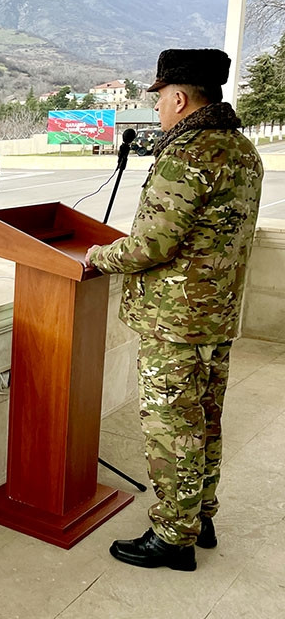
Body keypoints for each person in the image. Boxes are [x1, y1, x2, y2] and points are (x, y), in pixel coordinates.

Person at [84, 49, 264, 572]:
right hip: (216, 315)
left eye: (161, 97)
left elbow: (151, 245)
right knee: (205, 419)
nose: (159, 106)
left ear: (180, 98)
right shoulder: (242, 149)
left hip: (176, 320)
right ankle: (200, 516)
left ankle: (172, 537)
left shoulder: (188, 154)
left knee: (172, 426)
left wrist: (100, 256)